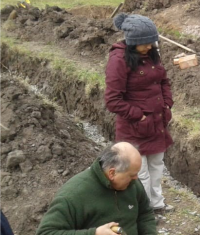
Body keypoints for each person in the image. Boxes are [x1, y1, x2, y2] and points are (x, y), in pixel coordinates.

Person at [105, 14, 174, 214]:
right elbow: (112, 100)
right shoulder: (119, 60)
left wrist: (167, 104)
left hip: (157, 123)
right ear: (133, 42)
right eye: (145, 43)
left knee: (157, 165)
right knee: (139, 172)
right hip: (134, 128)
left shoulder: (152, 54)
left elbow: (163, 81)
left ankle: (157, 203)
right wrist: (139, 115)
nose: (150, 46)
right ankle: (144, 211)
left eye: (152, 42)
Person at [36, 143, 156, 235]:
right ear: (112, 173)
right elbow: (45, 232)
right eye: (131, 175)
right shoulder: (74, 195)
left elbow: (145, 213)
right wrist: (94, 233)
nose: (136, 178)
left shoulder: (132, 184)